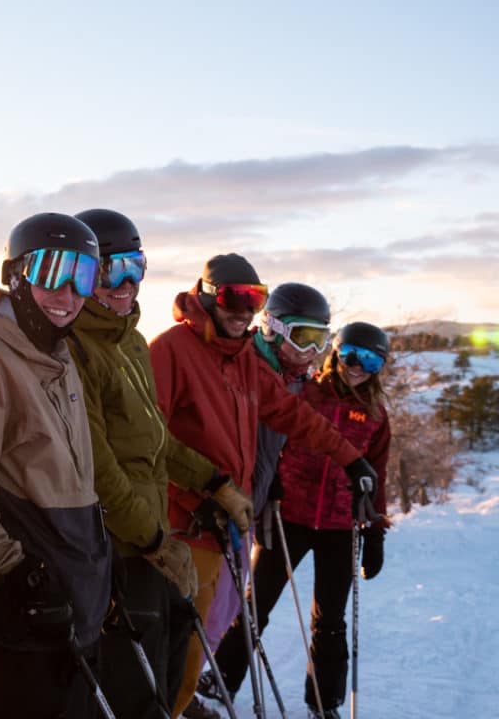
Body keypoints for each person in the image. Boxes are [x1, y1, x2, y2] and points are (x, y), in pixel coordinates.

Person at [148, 253, 377, 718]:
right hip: (179, 524)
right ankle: (168, 705)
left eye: (252, 298)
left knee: (196, 641)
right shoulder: (173, 349)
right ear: (207, 295)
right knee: (173, 638)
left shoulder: (247, 364)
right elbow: (151, 440)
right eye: (233, 297)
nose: (241, 309)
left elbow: (297, 420)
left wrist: (353, 463)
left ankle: (181, 704)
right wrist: (203, 490)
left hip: (224, 522)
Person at [69, 209, 253, 719]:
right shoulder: (78, 350)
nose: (128, 283)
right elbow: (99, 468)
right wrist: (154, 540)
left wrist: (216, 483)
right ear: (82, 275)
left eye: (136, 266)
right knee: (136, 690)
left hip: (152, 541)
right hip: (120, 553)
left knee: (171, 666)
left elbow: (156, 442)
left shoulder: (128, 340)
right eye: (112, 270)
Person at [0, 212, 112, 719]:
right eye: (51, 272)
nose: (67, 292)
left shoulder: (59, 355)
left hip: (73, 599)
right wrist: (14, 575)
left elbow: (73, 478)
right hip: (28, 617)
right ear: (15, 275)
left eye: (83, 275)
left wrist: (100, 563)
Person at [203, 322, 392, 719]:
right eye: (352, 354)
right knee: (256, 604)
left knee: (330, 620)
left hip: (341, 526)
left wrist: (375, 531)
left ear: (379, 367)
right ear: (336, 353)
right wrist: (268, 486)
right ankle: (222, 677)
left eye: (370, 360)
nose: (358, 366)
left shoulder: (375, 415)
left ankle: (324, 702)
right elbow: (268, 442)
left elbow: (377, 476)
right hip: (288, 515)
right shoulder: (306, 393)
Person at [195, 283, 334, 714]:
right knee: (207, 610)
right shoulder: (244, 367)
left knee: (227, 608)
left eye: (320, 339)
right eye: (303, 337)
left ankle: (186, 688)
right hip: (210, 510)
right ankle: (176, 692)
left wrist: (271, 483)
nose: (312, 350)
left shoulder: (291, 379)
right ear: (272, 328)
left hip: (247, 507)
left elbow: (275, 441)